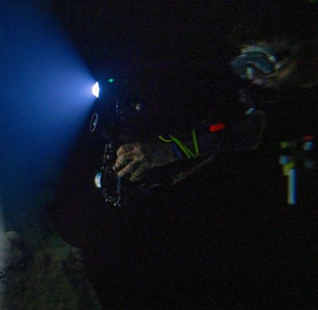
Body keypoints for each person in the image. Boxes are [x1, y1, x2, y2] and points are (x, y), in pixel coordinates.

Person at [114, 10, 318, 184]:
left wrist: (172, 152)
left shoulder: (298, 93)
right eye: (243, 66)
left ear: (292, 54)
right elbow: (252, 128)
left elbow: (254, 131)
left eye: (257, 63)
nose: (251, 77)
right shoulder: (278, 94)